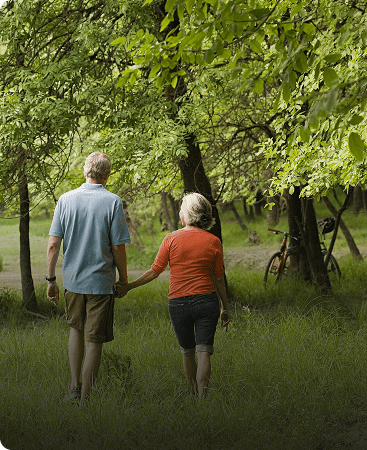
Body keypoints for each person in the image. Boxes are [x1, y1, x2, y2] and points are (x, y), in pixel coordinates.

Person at [116, 192, 231, 398]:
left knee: (188, 351)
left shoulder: (171, 239)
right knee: (204, 351)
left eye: (180, 209)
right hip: (207, 301)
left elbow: (154, 271)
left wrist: (128, 286)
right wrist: (225, 307)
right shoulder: (213, 241)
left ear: (187, 214)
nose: (179, 213)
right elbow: (219, 278)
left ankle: (191, 392)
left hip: (178, 304)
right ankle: (203, 395)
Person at [46, 152, 130, 403]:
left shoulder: (65, 199)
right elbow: (118, 248)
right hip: (101, 284)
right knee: (94, 340)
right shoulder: (113, 201)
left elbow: (53, 244)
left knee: (76, 330)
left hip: (72, 281)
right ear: (107, 176)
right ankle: (86, 396)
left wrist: (51, 280)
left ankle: (73, 387)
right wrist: (123, 279)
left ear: (85, 172)